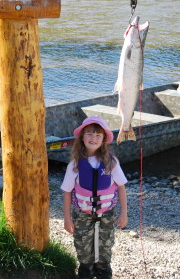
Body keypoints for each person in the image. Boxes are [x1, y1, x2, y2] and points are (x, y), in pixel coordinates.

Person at [61, 116, 128, 279]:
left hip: (107, 214)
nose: (93, 138)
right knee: (83, 248)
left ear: (104, 139)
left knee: (105, 247)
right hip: (82, 214)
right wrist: (67, 218)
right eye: (90, 134)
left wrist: (124, 213)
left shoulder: (111, 162)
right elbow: (67, 192)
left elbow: (121, 188)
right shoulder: (75, 165)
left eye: (98, 135)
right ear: (82, 137)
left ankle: (104, 272)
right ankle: (86, 272)